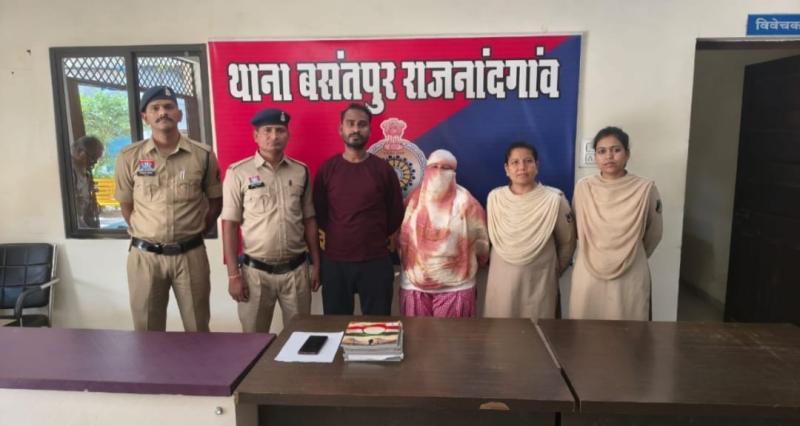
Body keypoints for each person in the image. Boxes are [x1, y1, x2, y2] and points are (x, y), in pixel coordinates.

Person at [114, 85, 222, 332]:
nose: (163, 112)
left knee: (198, 329)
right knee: (147, 332)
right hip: (145, 257)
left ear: (179, 114)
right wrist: (149, 232)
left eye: (169, 107)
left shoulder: (203, 155)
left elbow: (215, 202)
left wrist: (195, 232)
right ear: (145, 117)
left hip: (190, 255)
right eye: (155, 108)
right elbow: (126, 205)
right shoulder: (129, 157)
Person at [221, 108, 320, 332]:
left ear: (288, 135)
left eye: (280, 130)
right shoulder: (238, 173)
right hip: (255, 274)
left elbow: (309, 220)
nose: (274, 136)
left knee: (299, 337)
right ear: (256, 136)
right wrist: (233, 274)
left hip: (296, 272)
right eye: (267, 130)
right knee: (253, 340)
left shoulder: (301, 171)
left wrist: (316, 264)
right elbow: (229, 225)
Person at [312, 103, 404, 315]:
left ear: (370, 130)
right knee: (335, 326)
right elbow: (321, 214)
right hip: (335, 262)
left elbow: (394, 214)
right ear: (341, 129)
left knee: (378, 326)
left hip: (375, 261)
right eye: (350, 124)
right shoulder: (328, 170)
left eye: (362, 125)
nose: (356, 129)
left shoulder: (383, 170)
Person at [569, 126, 663, 320]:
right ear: (595, 156)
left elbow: (654, 233)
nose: (609, 156)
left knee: (628, 327)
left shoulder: (645, 189)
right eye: (602, 151)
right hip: (588, 270)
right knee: (586, 327)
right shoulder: (583, 188)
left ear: (627, 154)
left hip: (630, 271)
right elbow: (576, 229)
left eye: (616, 150)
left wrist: (627, 252)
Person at [483, 142, 576, 321]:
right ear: (506, 168)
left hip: (539, 281)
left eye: (528, 161)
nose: (522, 167)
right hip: (501, 281)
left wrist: (553, 271)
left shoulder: (554, 199)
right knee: (501, 331)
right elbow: (487, 240)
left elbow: (568, 242)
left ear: (537, 165)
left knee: (538, 332)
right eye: (515, 162)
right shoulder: (495, 198)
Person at [397, 149, 489, 317]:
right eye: (434, 166)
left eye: (445, 168)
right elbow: (401, 239)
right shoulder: (413, 201)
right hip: (414, 285)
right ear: (427, 170)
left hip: (457, 287)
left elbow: (481, 244)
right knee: (416, 334)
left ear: (453, 173)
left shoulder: (468, 203)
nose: (439, 172)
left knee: (451, 335)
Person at [71, 135, 104, 228]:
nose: (95, 162)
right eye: (93, 157)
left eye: (97, 159)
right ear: (80, 151)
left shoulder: (85, 170)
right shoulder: (70, 171)